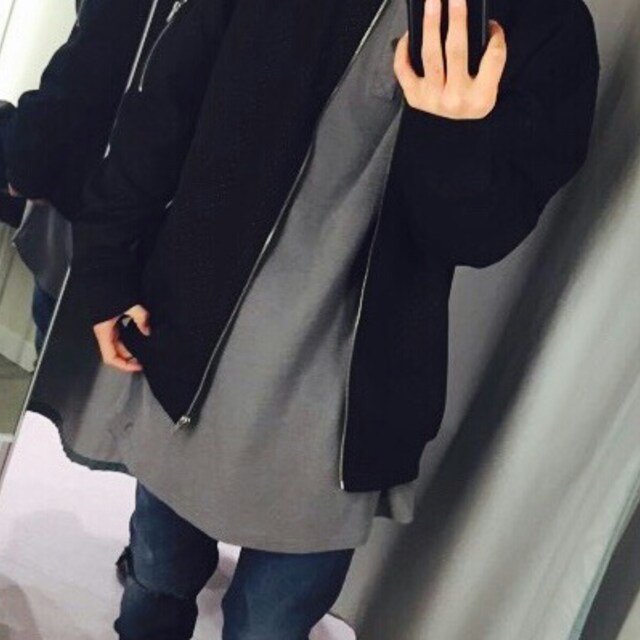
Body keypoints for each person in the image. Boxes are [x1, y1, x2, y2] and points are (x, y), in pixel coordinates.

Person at [67, 0, 600, 637]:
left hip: (343, 410)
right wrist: (105, 264)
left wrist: (452, 132)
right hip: (191, 344)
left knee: (270, 625)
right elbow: (166, 106)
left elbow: (474, 237)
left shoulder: (547, 25)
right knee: (157, 575)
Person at [0, 0, 177, 580]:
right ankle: (153, 558)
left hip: (101, 209)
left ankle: (154, 562)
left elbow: (92, 62)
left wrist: (24, 158)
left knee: (72, 381)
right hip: (172, 217)